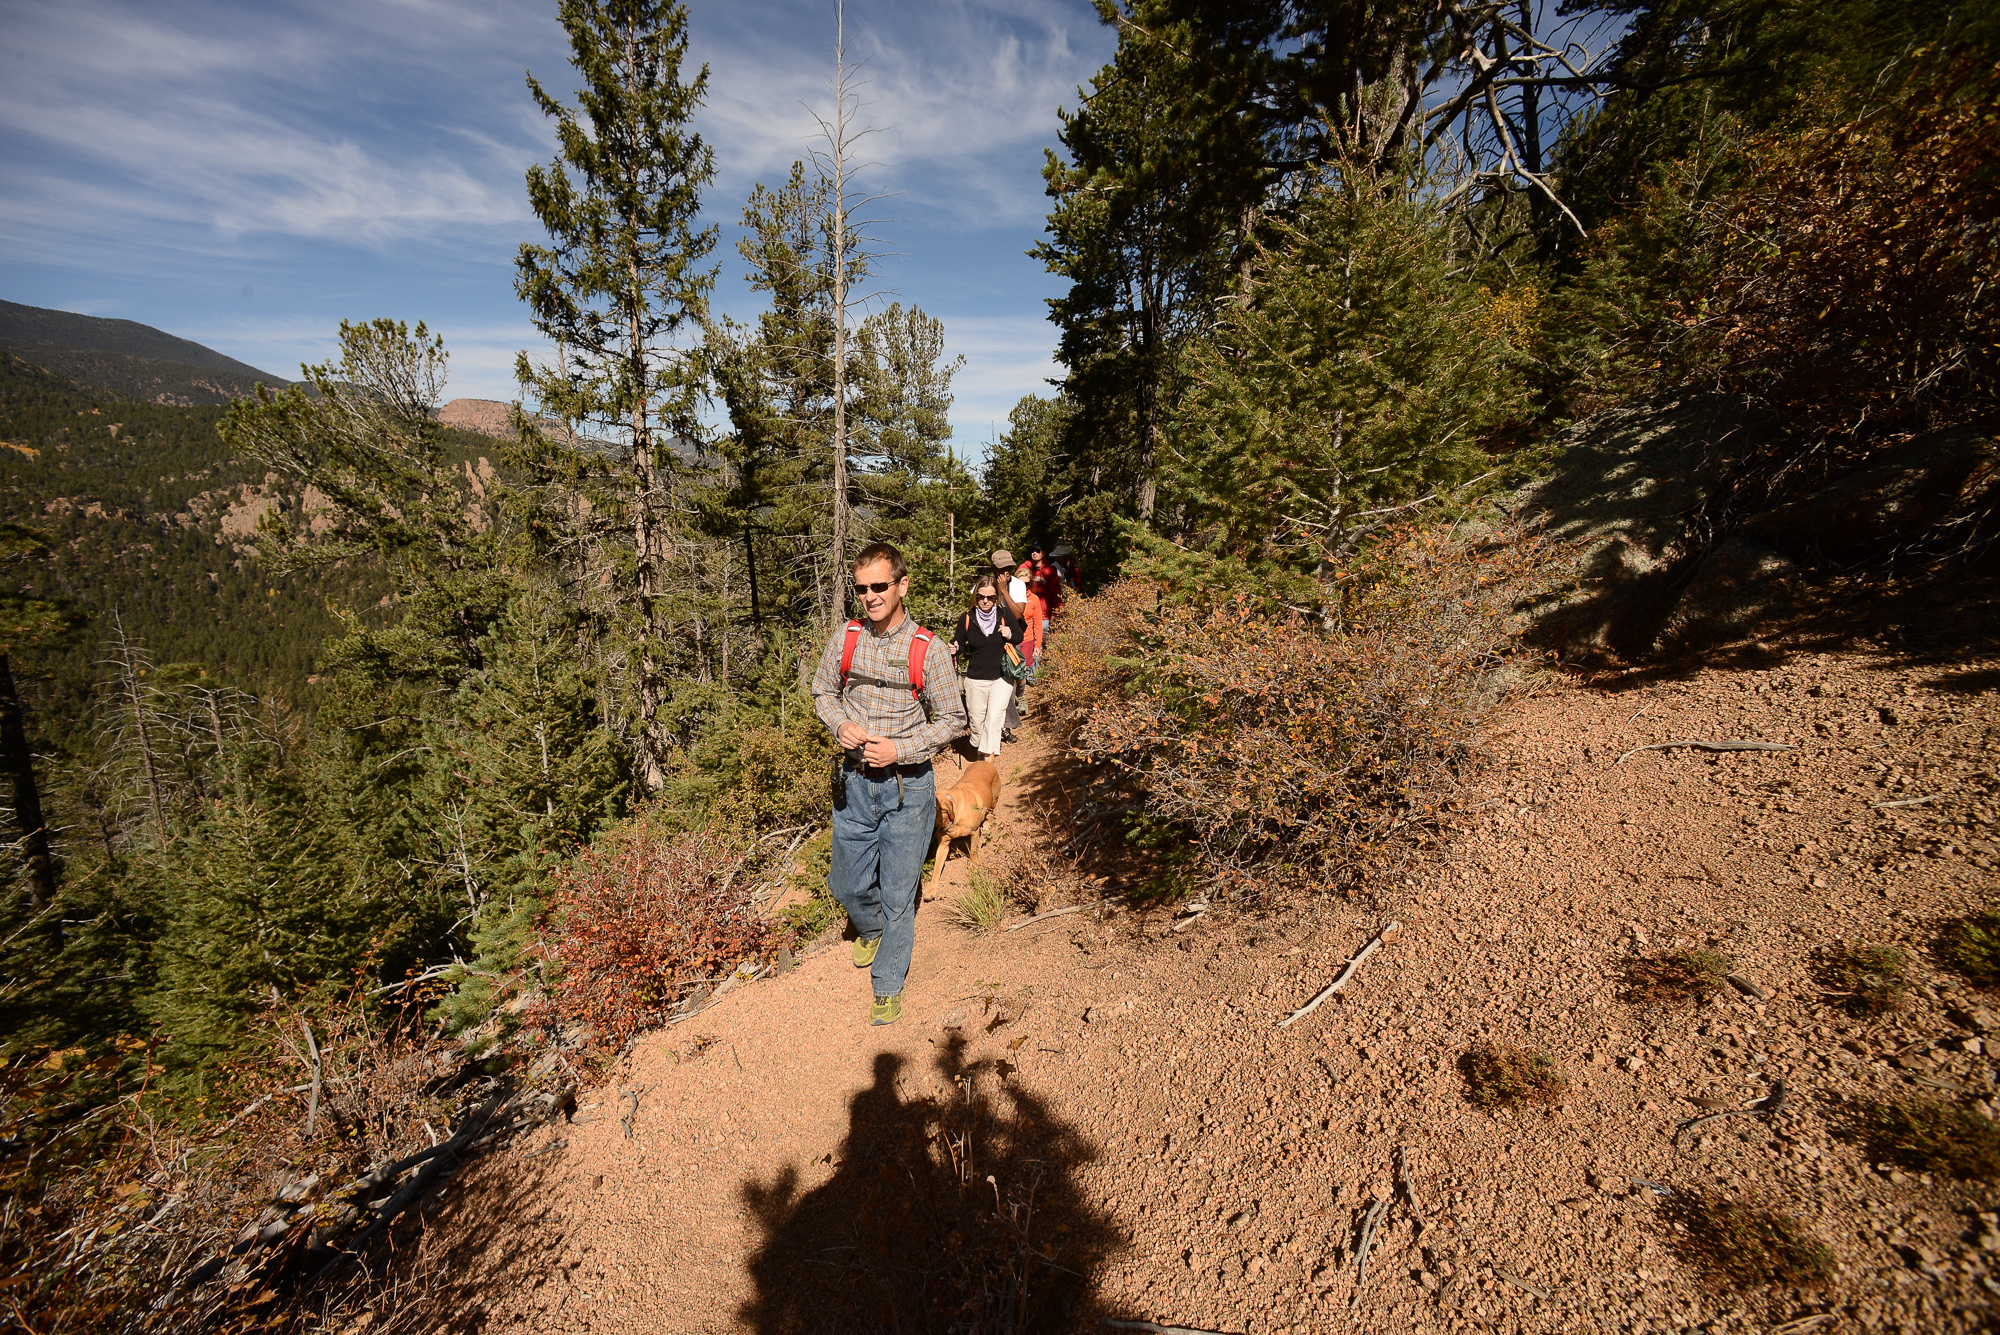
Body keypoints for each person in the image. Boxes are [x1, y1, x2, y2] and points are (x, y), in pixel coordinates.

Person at [811, 541, 968, 1026]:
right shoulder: (847, 637)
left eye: (880, 586)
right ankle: (871, 925)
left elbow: (952, 719)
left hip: (908, 788)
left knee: (901, 893)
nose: (871, 596)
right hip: (854, 784)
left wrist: (900, 749)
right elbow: (822, 691)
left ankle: (887, 983)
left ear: (902, 585)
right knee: (846, 883)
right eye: (862, 588)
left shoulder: (929, 650)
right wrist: (839, 725)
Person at [947, 575, 1023, 760]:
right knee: (978, 724)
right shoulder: (966, 618)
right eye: (982, 597)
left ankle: (986, 764)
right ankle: (980, 749)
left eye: (990, 597)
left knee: (994, 720)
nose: (986, 601)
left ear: (996, 598)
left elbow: (1019, 636)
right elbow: (960, 644)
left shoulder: (1004, 615)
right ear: (976, 597)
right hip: (975, 679)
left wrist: (1010, 633)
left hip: (1001, 678)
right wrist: (954, 647)